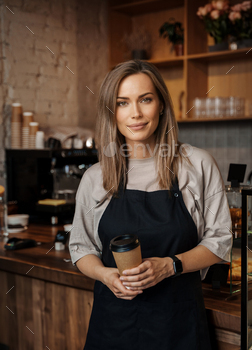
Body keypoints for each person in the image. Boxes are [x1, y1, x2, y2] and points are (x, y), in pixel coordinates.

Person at [69, 59, 232, 350]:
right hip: (113, 325)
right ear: (112, 111)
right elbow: (81, 248)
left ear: (161, 105)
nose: (136, 114)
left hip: (179, 325)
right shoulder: (96, 177)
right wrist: (106, 275)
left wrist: (170, 266)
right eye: (122, 103)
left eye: (145, 99)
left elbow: (219, 242)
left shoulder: (196, 165)